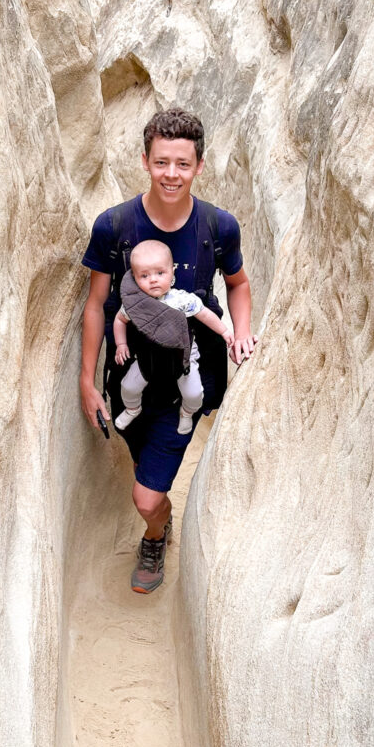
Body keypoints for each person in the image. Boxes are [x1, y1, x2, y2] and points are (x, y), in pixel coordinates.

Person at [80, 108, 257, 593]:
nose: (172, 174)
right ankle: (161, 511)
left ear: (199, 166)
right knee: (142, 468)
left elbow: (238, 285)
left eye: (182, 163)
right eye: (162, 162)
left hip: (185, 375)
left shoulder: (219, 227)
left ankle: (154, 533)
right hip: (130, 371)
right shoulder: (114, 226)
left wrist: (239, 332)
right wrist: (87, 381)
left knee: (143, 496)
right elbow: (97, 305)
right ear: (145, 160)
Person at [113, 239, 235, 435]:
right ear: (135, 280)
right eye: (144, 276)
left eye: (160, 273)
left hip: (182, 358)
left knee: (195, 394)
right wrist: (121, 344)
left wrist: (224, 331)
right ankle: (133, 408)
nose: (153, 279)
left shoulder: (182, 300)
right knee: (127, 387)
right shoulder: (134, 305)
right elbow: (119, 320)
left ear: (172, 275)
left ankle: (186, 413)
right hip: (147, 359)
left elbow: (204, 314)